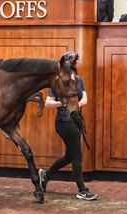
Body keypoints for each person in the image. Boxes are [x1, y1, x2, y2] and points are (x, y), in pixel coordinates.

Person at [38, 51, 98, 201]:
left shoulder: (78, 80)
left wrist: (78, 103)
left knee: (69, 156)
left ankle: (45, 175)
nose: (74, 65)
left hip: (76, 120)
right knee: (77, 155)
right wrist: (62, 103)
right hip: (63, 122)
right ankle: (82, 190)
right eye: (72, 63)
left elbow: (84, 98)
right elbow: (47, 103)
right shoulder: (58, 81)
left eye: (75, 63)